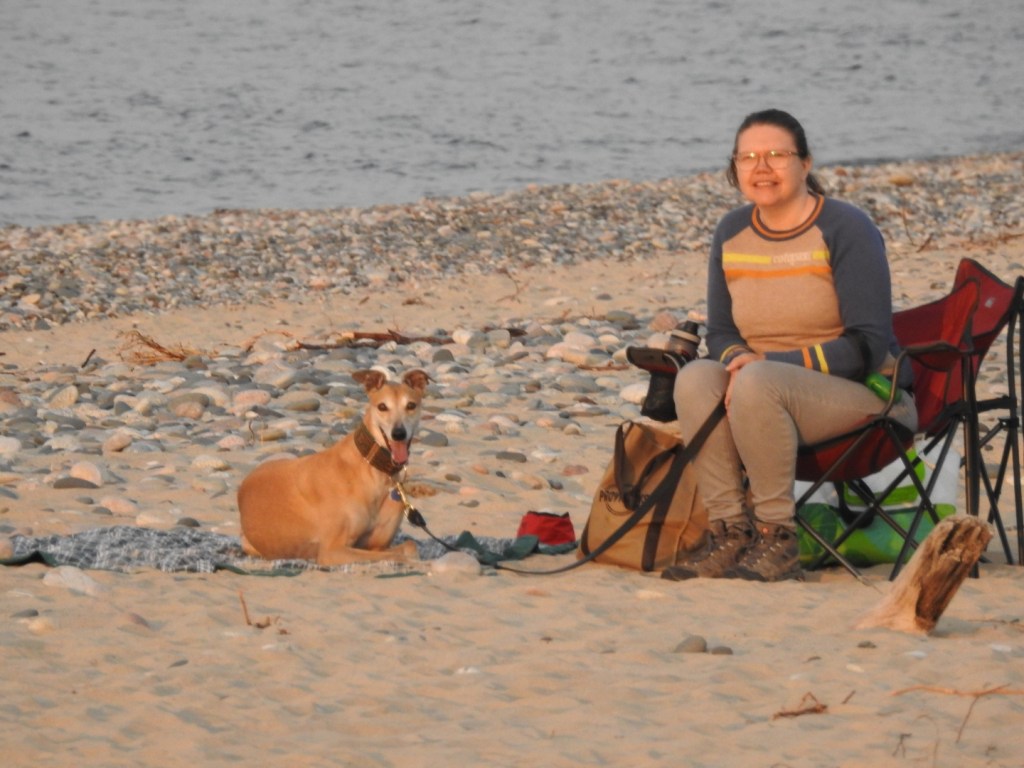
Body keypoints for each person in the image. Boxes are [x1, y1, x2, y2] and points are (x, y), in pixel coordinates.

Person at [662, 108, 917, 583]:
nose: (761, 168)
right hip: (757, 388)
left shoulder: (846, 227)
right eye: (748, 158)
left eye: (777, 155)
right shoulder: (731, 231)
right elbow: (721, 333)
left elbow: (866, 344)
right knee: (695, 377)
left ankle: (776, 537)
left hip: (862, 394)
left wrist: (765, 365)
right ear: (734, 167)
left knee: (759, 380)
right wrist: (739, 360)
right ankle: (729, 532)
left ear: (805, 163)